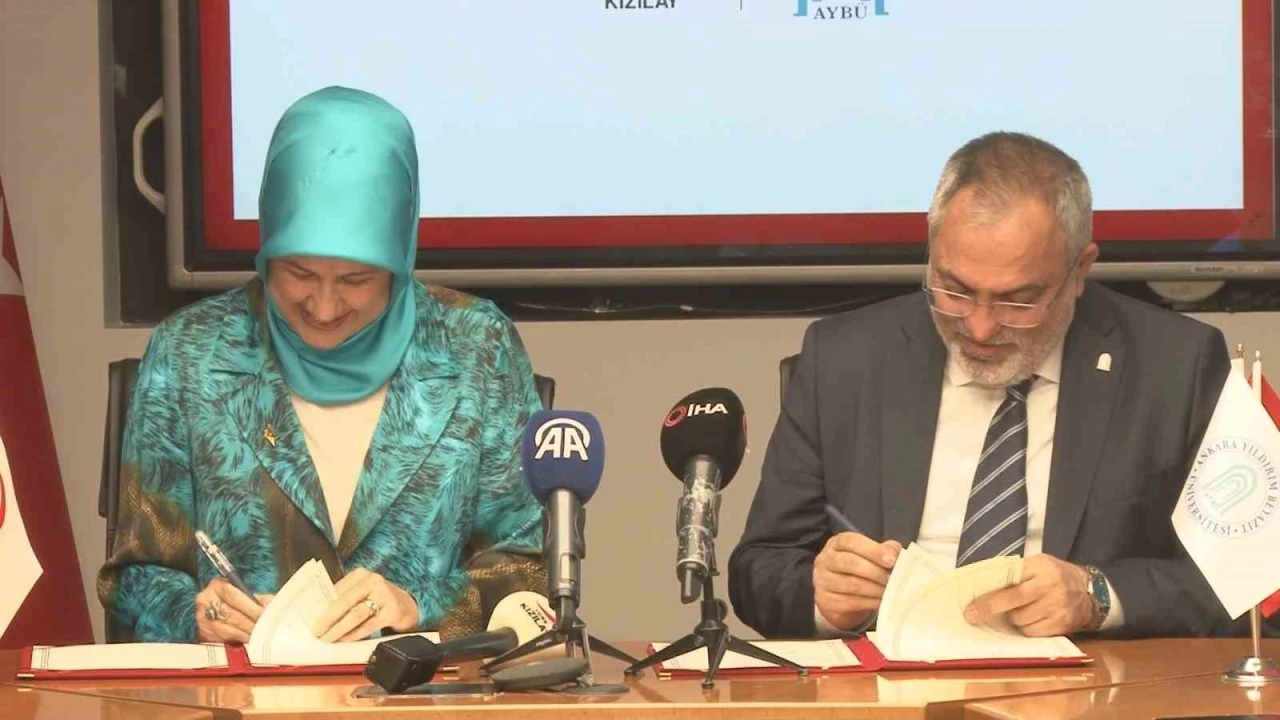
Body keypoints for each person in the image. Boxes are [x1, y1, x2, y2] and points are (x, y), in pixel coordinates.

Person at [728, 131, 1258, 640]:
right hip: (890, 678)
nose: (979, 328)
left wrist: (1098, 595)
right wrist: (821, 595)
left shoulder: (1175, 366)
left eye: (1017, 300)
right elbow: (760, 568)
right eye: (953, 290)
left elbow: (1250, 580)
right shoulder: (845, 359)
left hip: (1090, 680)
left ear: (1080, 270)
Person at [99, 86, 546, 644]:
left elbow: (529, 570)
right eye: (299, 273)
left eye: (357, 279)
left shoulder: (477, 347)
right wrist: (195, 613)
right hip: (240, 689)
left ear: (400, 260)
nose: (325, 307)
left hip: (420, 688)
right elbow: (134, 577)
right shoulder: (192, 352)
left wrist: (418, 606)